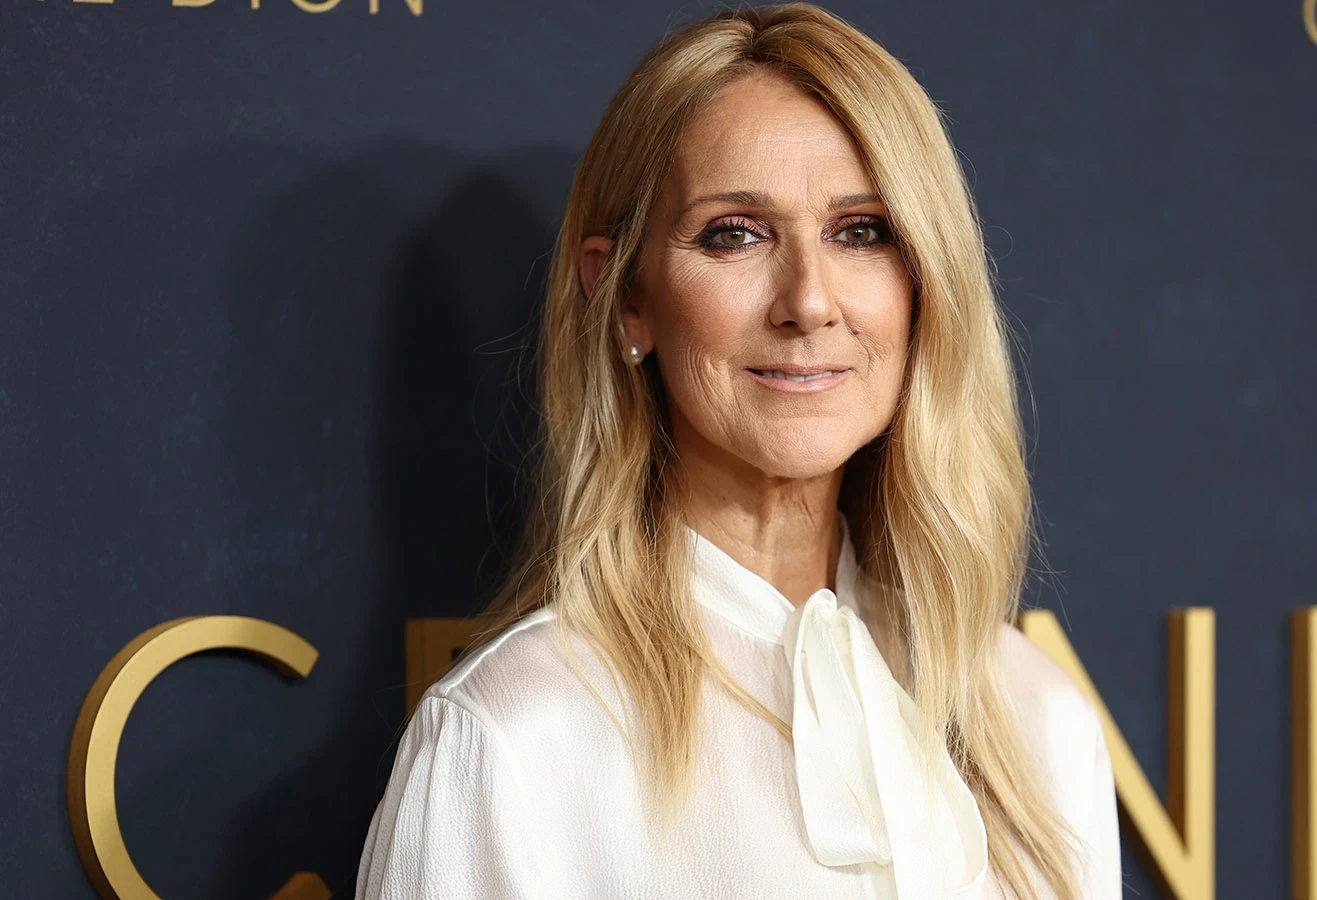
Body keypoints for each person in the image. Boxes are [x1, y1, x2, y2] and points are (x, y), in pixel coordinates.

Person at [354, 4, 1120, 898]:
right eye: (735, 234)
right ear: (627, 297)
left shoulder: (1036, 717)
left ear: (924, 284)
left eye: (861, 231)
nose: (809, 301)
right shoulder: (516, 743)